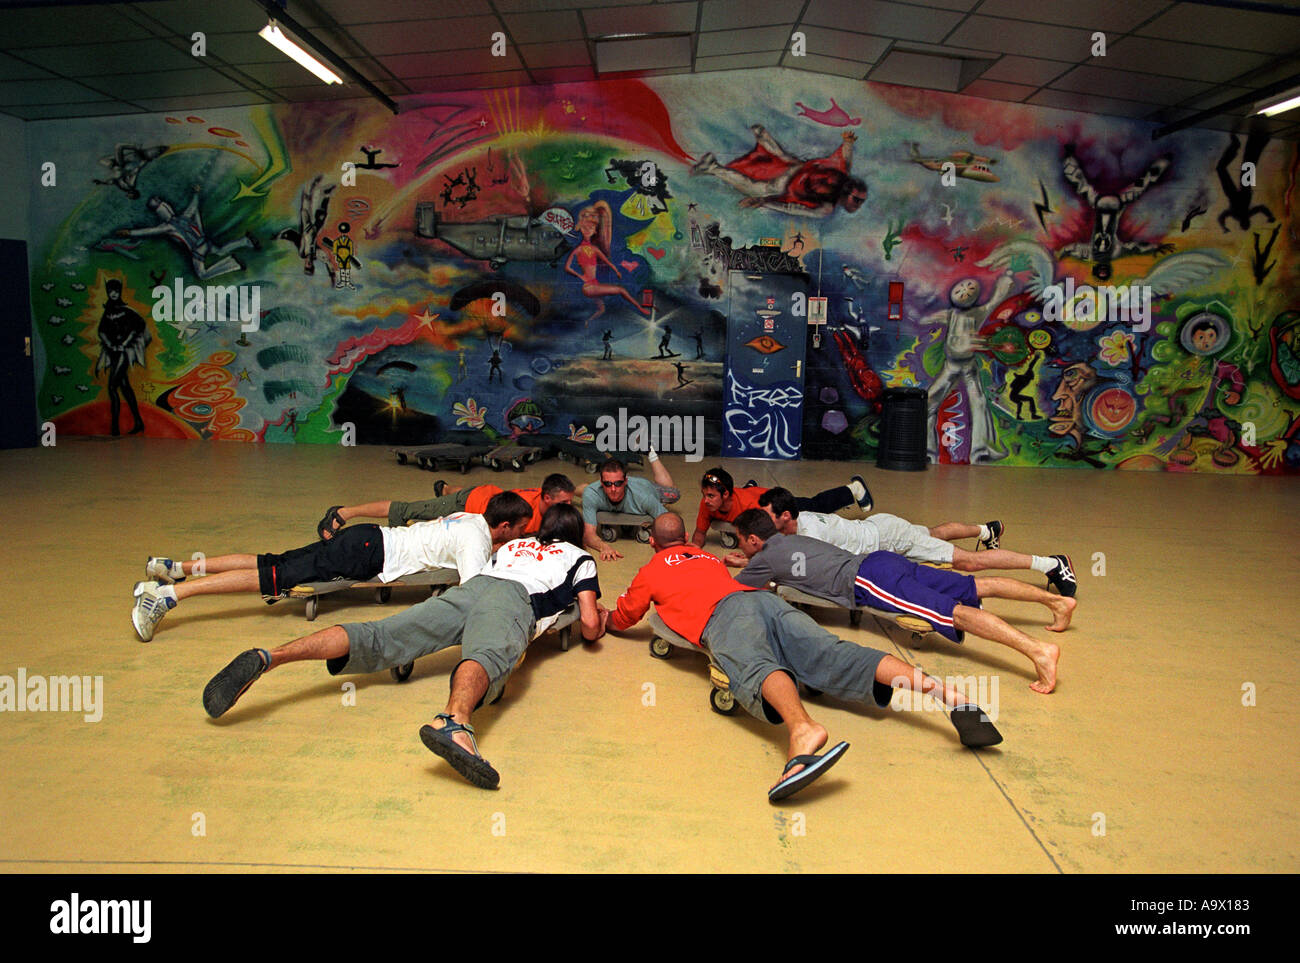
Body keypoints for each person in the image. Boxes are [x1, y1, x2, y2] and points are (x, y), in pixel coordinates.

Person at [201, 504, 606, 790]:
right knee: (485, 655)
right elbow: (587, 623)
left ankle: (271, 656)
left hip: (474, 589)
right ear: (574, 534)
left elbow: (485, 575)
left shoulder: (516, 546)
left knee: (380, 634)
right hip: (513, 602)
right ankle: (454, 723)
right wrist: (601, 622)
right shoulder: (580, 559)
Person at [609, 513, 1004, 802]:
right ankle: (947, 694)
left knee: (757, 666)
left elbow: (626, 616)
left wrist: (600, 620)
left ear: (653, 544)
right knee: (836, 653)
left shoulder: (652, 568)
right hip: (761, 601)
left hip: (725, 618)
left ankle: (802, 730)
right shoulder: (707, 558)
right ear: (687, 541)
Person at [730, 510, 1075, 694]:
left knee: (953, 613)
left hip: (869, 580)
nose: (741, 549)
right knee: (972, 585)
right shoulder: (794, 538)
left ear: (754, 539)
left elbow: (731, 590)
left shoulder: (763, 558)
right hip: (882, 560)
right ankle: (1055, 603)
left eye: (742, 543)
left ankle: (1038, 651)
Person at [130, 492, 534, 643]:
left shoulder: (468, 518)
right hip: (365, 554)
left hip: (366, 539)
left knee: (273, 562)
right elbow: (474, 590)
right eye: (519, 529)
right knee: (272, 578)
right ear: (503, 526)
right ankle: (166, 596)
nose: (520, 535)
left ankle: (176, 568)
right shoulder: (475, 538)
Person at [749, 487, 1077, 597]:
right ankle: (984, 530)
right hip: (881, 528)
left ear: (788, 517)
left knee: (967, 563)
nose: (765, 523)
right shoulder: (795, 525)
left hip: (888, 539)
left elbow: (819, 573)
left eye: (769, 517)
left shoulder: (811, 534)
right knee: (932, 534)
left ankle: (1050, 563)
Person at [319, 473, 576, 538]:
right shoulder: (527, 512)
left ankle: (444, 487)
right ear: (546, 498)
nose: (568, 508)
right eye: (563, 503)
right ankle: (342, 512)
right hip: (469, 503)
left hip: (484, 496)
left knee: (456, 493)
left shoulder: (551, 509)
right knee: (408, 511)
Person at [690, 467, 871, 548]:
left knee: (815, 506)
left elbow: (770, 536)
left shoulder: (750, 507)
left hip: (774, 502)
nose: (705, 501)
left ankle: (853, 489)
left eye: (711, 496)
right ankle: (750, 486)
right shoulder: (707, 504)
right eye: (704, 495)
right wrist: (691, 551)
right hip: (752, 498)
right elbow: (699, 533)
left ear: (726, 494)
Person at [581, 455, 681, 561]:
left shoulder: (644, 497)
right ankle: (576, 490)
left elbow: (669, 523)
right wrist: (604, 547)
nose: (613, 489)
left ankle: (652, 456)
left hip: (648, 487)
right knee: (586, 491)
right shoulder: (592, 494)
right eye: (608, 484)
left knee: (674, 493)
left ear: (625, 482)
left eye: (618, 483)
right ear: (601, 483)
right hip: (600, 489)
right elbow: (588, 534)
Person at [95, 278, 150, 436]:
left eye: (116, 291)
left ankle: (114, 427)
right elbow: (101, 331)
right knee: (125, 387)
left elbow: (138, 327)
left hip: (123, 352)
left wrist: (124, 343)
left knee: (112, 386)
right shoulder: (108, 311)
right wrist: (109, 343)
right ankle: (138, 421)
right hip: (113, 351)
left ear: (120, 292)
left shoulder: (126, 311)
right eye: (111, 291)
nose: (113, 294)